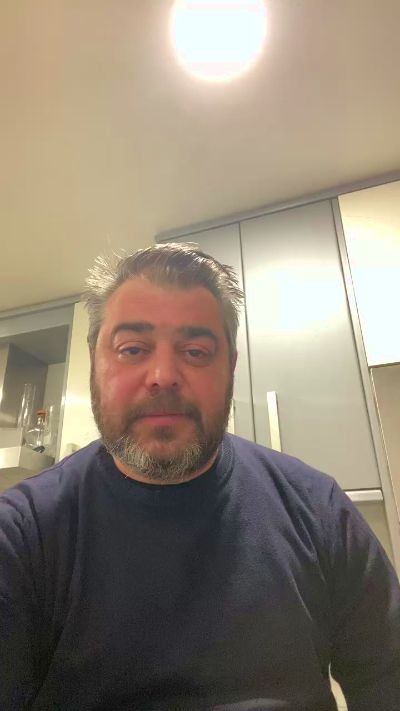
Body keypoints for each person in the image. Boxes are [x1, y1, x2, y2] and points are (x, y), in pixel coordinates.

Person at [0, 243, 399, 711]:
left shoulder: (319, 510)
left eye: (195, 351)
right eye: (133, 349)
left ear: (230, 366)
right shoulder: (20, 535)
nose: (163, 375)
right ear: (95, 362)